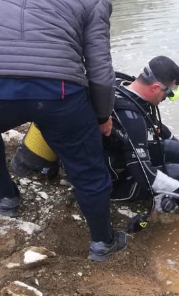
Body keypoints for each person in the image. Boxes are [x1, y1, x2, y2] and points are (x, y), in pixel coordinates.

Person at [0, 0, 127, 261]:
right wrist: (103, 115)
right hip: (58, 92)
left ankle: (6, 199)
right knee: (87, 168)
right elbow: (100, 70)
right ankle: (103, 242)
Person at [102, 56, 179, 214]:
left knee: (175, 149)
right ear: (155, 87)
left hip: (120, 157)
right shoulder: (131, 118)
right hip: (111, 183)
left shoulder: (124, 87)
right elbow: (144, 174)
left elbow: (157, 127)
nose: (167, 98)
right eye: (168, 93)